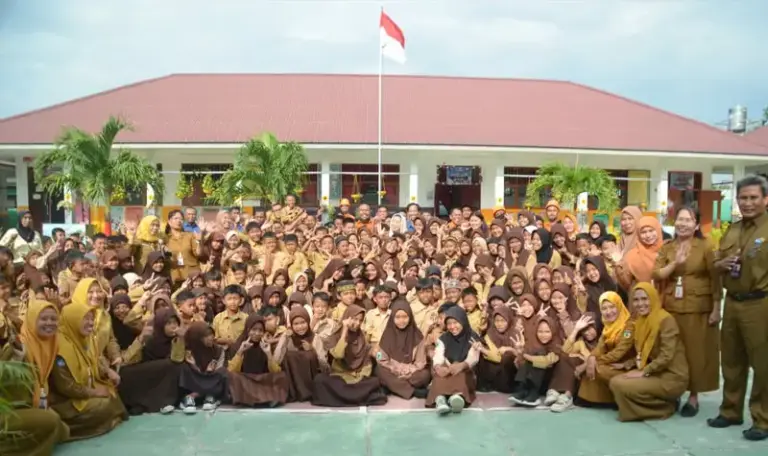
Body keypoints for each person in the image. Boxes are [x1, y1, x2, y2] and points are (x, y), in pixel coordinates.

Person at [707, 174, 768, 441]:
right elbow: (717, 262)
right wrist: (719, 265)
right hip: (732, 302)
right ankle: (731, 411)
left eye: (754, 197)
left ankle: (762, 419)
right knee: (731, 361)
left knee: (763, 364)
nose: (748, 202)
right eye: (743, 197)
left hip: (761, 303)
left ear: (766, 199)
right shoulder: (732, 229)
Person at [652, 206, 721, 417]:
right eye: (679, 220)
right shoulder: (668, 246)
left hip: (699, 307)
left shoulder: (707, 245)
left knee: (695, 352)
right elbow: (656, 273)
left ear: (697, 224)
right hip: (671, 305)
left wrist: (717, 306)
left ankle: (693, 396)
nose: (682, 224)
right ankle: (674, 392)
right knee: (672, 351)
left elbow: (715, 277)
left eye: (688, 220)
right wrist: (676, 263)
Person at [49, 299, 128, 440]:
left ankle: (106, 421)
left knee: (111, 392)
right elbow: (66, 387)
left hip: (84, 388)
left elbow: (92, 362)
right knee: (103, 405)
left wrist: (107, 371)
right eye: (85, 319)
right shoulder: (61, 348)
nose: (91, 323)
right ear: (73, 319)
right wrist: (94, 392)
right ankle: (69, 430)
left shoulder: (81, 338)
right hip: (64, 401)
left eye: (92, 319)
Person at [609, 283, 689, 422]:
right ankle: (654, 406)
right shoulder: (641, 321)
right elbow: (645, 351)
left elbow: (666, 356)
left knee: (621, 384)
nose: (640, 304)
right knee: (615, 380)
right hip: (656, 372)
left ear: (653, 298)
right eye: (636, 300)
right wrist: (628, 364)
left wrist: (643, 371)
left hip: (672, 377)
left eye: (645, 299)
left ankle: (664, 408)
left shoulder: (665, 320)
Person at [0, 299, 69, 456]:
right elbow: (8, 388)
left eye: (53, 319)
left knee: (63, 432)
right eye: (43, 319)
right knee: (50, 423)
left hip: (32, 403)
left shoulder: (52, 343)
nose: (49, 323)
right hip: (10, 408)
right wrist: (18, 359)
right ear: (31, 320)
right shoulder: (17, 347)